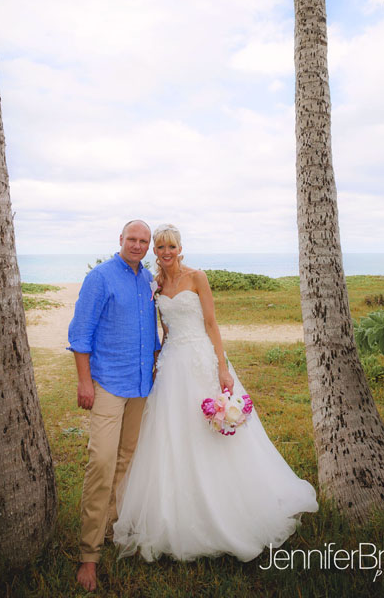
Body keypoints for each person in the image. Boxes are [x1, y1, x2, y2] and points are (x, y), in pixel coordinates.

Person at [112, 223, 319, 563]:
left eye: (171, 247)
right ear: (155, 251)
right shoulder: (156, 283)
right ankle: (176, 512)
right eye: (160, 247)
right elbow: (163, 330)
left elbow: (211, 324)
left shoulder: (198, 277)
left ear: (180, 248)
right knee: (172, 435)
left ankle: (232, 506)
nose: (166, 252)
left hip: (201, 361)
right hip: (172, 363)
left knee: (213, 433)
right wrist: (155, 360)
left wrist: (222, 366)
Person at [67, 219, 161, 592]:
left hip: (141, 385)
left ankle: (114, 528)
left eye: (144, 241)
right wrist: (84, 381)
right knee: (102, 463)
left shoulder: (147, 279)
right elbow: (80, 333)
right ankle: (88, 554)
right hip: (108, 383)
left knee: (126, 460)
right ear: (120, 240)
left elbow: (153, 331)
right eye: (132, 239)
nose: (137, 245)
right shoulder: (101, 278)